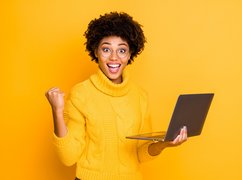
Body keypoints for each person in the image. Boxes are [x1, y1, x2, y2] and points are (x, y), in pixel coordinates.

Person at [45, 12, 187, 180]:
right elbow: (68, 157)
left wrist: (165, 144)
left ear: (129, 55)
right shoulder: (81, 94)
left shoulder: (140, 96)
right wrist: (57, 111)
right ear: (95, 51)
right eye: (106, 49)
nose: (114, 57)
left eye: (121, 50)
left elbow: (141, 153)